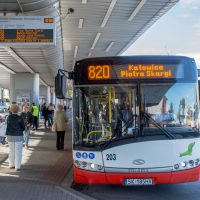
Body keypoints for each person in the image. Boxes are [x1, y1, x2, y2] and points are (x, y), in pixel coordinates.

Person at [6, 103, 25, 171]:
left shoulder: (8, 117)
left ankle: (11, 165)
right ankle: (17, 166)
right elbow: (23, 127)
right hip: (18, 136)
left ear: (11, 110)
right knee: (18, 151)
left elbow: (7, 125)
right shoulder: (20, 118)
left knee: (11, 151)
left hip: (10, 136)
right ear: (18, 110)